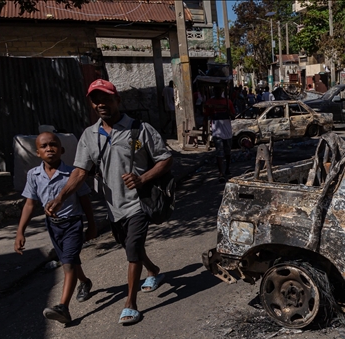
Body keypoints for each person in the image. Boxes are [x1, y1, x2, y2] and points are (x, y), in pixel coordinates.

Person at [45, 79, 172, 325]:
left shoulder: (139, 129)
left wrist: (143, 177)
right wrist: (60, 197)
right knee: (128, 245)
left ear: (117, 100)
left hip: (140, 202)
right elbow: (80, 171)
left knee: (133, 248)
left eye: (106, 98)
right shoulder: (89, 136)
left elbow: (165, 158)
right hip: (114, 206)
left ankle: (130, 304)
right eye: (95, 99)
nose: (101, 104)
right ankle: (154, 271)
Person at [15, 132, 97, 324]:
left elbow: (85, 201)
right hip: (53, 226)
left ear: (62, 150)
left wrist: (92, 225)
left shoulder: (73, 174)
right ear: (37, 152)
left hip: (72, 224)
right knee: (70, 259)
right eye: (44, 146)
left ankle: (63, 307)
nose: (49, 149)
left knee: (67, 264)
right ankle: (84, 282)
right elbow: (29, 204)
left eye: (53, 145)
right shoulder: (33, 175)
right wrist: (20, 232)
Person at [203, 85, 236, 182]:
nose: (217, 92)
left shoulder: (227, 102)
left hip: (227, 131)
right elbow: (205, 117)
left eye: (219, 90)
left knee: (228, 152)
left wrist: (229, 112)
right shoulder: (209, 102)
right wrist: (204, 131)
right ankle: (221, 173)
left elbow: (233, 116)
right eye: (215, 90)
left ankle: (227, 169)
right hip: (217, 132)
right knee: (219, 152)